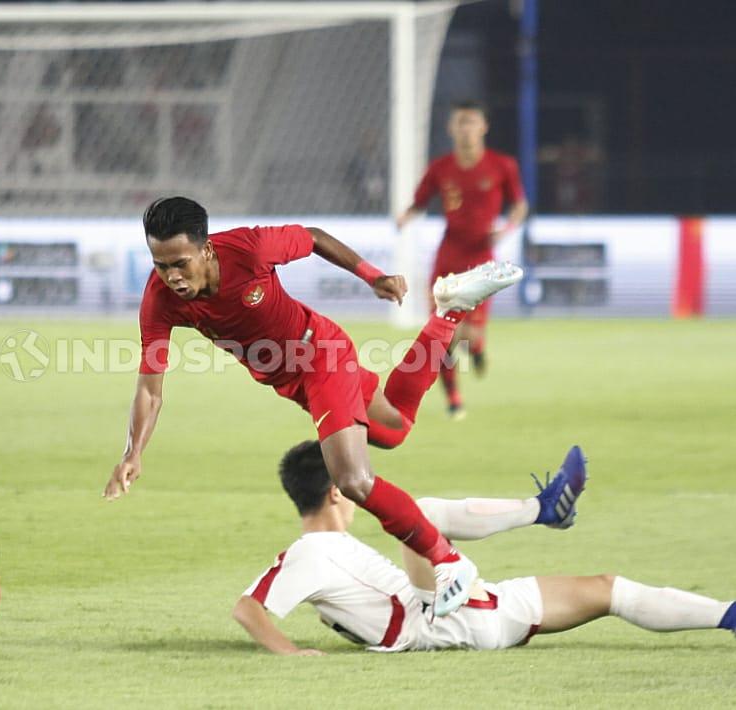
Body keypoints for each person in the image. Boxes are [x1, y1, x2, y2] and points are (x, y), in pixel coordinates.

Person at [103, 195, 528, 616]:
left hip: (321, 355)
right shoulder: (160, 298)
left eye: (181, 263)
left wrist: (371, 275)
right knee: (394, 429)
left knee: (353, 479)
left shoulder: (249, 250)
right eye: (161, 265)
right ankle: (449, 313)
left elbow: (313, 237)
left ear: (206, 249)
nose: (172, 276)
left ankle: (449, 563)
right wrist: (132, 452)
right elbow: (149, 388)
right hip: (293, 382)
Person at [234, 441, 736, 655]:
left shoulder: (328, 548)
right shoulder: (310, 551)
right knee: (419, 513)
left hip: (472, 612)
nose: (365, 481)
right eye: (356, 475)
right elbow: (248, 608)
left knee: (607, 589)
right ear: (337, 489)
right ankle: (541, 510)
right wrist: (292, 654)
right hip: (433, 624)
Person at [396, 101, 529, 419]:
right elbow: (419, 201)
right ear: (451, 129)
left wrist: (507, 227)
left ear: (483, 127)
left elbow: (519, 205)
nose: (466, 129)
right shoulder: (440, 168)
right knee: (441, 334)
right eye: (460, 123)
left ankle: (479, 349)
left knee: (468, 336)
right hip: (448, 258)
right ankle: (454, 399)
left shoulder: (502, 165)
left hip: (482, 260)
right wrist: (405, 216)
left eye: (471, 122)